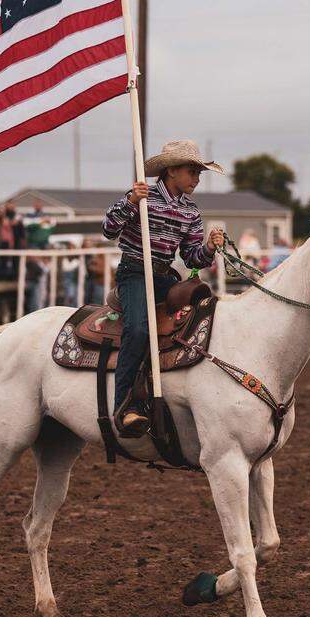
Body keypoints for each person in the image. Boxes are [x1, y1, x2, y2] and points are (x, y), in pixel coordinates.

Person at [101, 140, 226, 436]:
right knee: (139, 330)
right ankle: (125, 407)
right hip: (134, 272)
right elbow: (108, 229)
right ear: (171, 170)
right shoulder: (142, 196)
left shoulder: (191, 212)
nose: (196, 179)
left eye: (199, 173)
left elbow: (192, 257)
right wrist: (130, 201)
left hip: (165, 277)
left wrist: (208, 247)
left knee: (202, 319)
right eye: (191, 172)